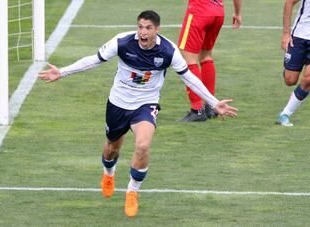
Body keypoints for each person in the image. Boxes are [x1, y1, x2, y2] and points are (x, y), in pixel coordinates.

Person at [39, 10, 238, 217]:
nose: (143, 32)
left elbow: (189, 78)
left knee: (143, 145)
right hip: (118, 103)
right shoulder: (122, 42)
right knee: (111, 149)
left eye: (148, 28)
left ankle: (132, 191)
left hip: (146, 104)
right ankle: (108, 173)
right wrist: (62, 72)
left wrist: (214, 103)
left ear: (157, 30)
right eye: (140, 27)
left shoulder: (168, 51)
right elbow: (93, 60)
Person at [177, 0, 242, 122]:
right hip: (218, 11)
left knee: (188, 59)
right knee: (205, 56)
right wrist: (237, 13)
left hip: (199, 11)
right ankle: (210, 106)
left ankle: (197, 109)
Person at [277, 0, 310, 127]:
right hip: (299, 36)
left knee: (308, 80)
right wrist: (286, 33)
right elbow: (289, 2)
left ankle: (285, 114)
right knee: (290, 80)